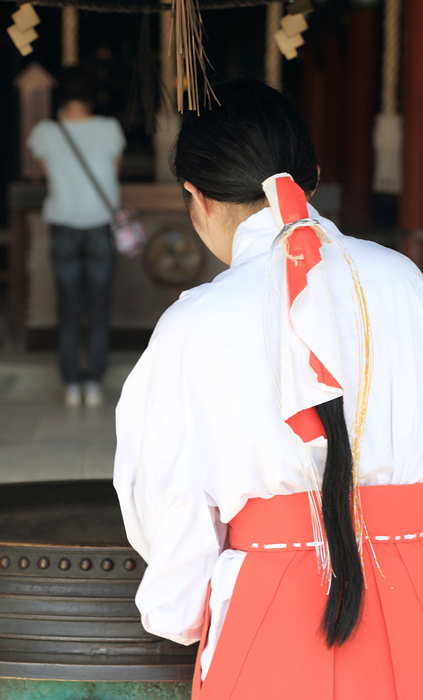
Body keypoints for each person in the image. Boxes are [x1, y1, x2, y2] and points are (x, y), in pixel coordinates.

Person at [113, 79, 423, 699]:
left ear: (196, 198)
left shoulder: (193, 324)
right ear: (311, 175)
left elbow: (170, 506)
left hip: (271, 611)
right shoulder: (407, 282)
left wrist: (182, 614)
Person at [28, 66, 126, 408]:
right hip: (99, 225)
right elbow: (113, 171)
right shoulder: (109, 128)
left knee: (68, 306)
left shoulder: (45, 131)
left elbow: (44, 172)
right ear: (91, 95)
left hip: (63, 226)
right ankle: (94, 383)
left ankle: (71, 383)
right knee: (99, 306)